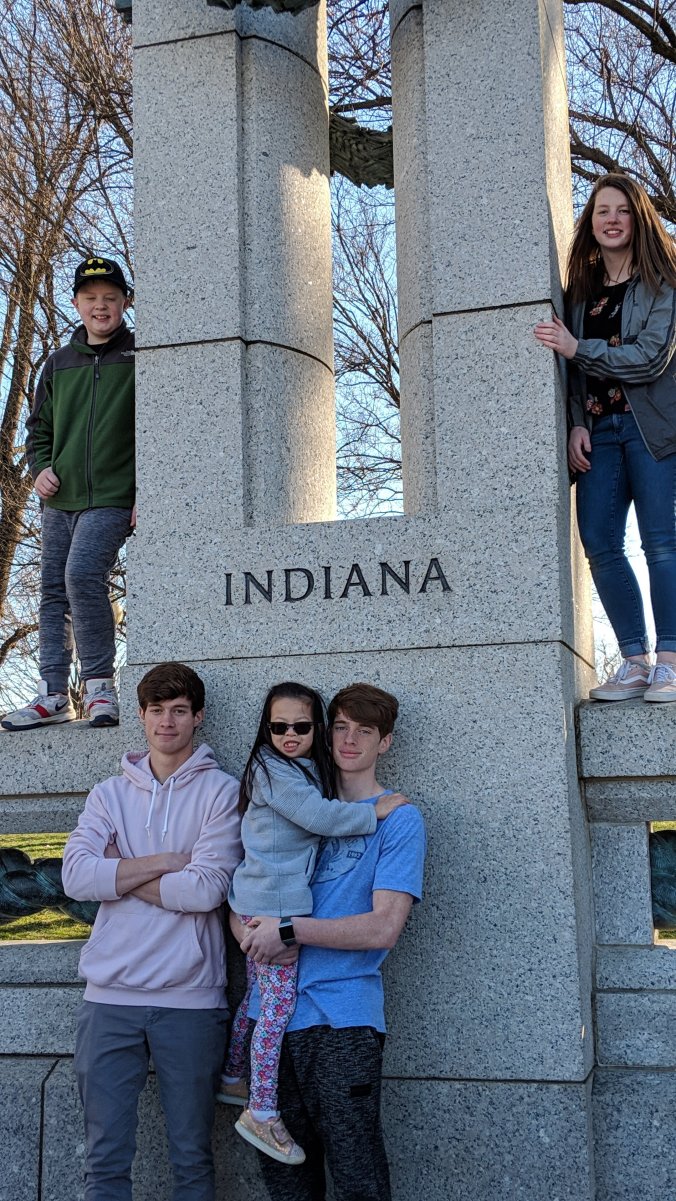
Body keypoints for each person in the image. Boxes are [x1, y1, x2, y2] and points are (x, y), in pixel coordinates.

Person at [230, 682, 426, 1201]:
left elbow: (383, 927)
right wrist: (251, 935)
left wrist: (288, 931)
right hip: (270, 1021)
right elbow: (241, 894)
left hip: (340, 1020)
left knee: (358, 1176)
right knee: (287, 1185)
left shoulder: (399, 818)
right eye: (340, 727)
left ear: (385, 742)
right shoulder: (291, 803)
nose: (349, 740)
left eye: (365, 731)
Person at [61, 662, 242, 1201]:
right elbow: (76, 878)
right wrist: (165, 862)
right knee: (104, 1162)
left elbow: (205, 890)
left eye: (179, 711)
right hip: (108, 1000)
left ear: (198, 717)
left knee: (192, 1159)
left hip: (191, 1000)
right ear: (140, 716)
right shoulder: (108, 795)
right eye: (157, 710)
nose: (167, 722)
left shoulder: (222, 792)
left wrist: (118, 871)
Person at [534, 173, 676, 701]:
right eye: (602, 211)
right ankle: (634, 662)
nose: (612, 220)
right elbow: (573, 375)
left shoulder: (664, 282)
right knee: (598, 541)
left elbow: (649, 358)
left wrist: (578, 348)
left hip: (653, 429)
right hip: (599, 431)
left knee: (661, 543)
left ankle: (670, 662)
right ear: (590, 224)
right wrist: (576, 421)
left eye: (622, 210)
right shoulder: (582, 293)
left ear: (638, 219)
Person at [2, 256, 136, 731]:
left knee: (82, 575)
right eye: (91, 298)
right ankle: (53, 694)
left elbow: (160, 430)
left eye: (110, 298)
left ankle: (99, 687)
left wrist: (147, 492)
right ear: (77, 304)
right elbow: (38, 428)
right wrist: (40, 469)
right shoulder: (58, 363)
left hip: (113, 496)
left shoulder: (140, 356)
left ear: (125, 302)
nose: (101, 306)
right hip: (59, 500)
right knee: (53, 590)